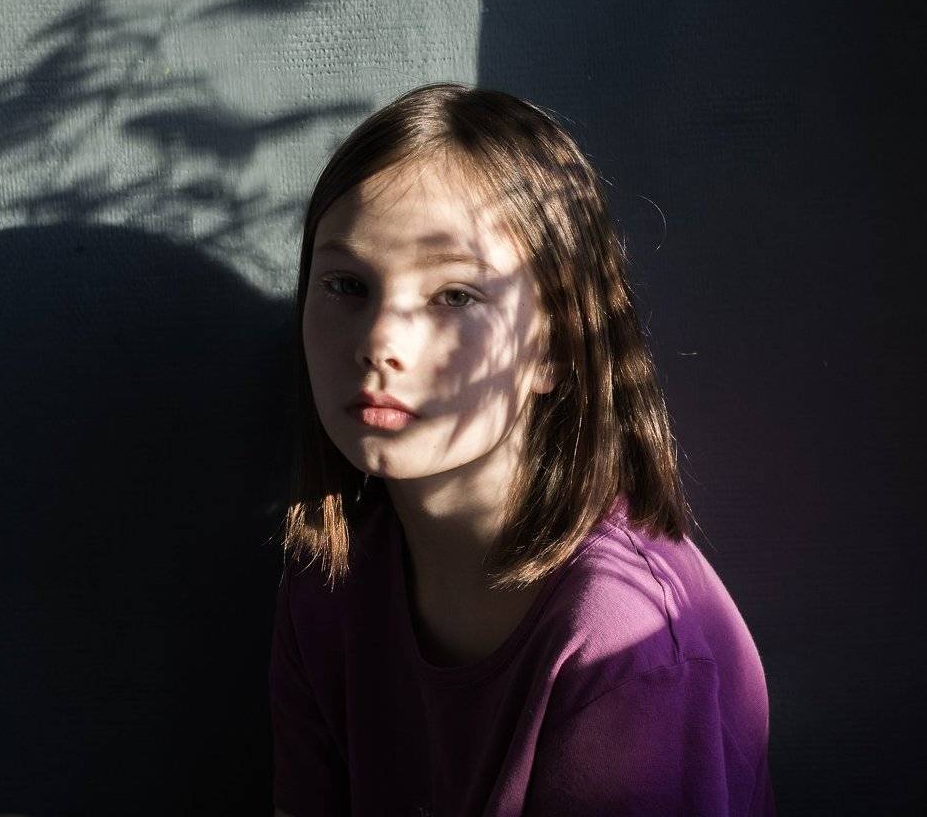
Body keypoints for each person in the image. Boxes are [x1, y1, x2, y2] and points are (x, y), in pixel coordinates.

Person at [269, 83, 775, 816]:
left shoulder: (623, 641)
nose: (379, 341)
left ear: (559, 347)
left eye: (455, 296)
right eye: (347, 284)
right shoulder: (330, 580)